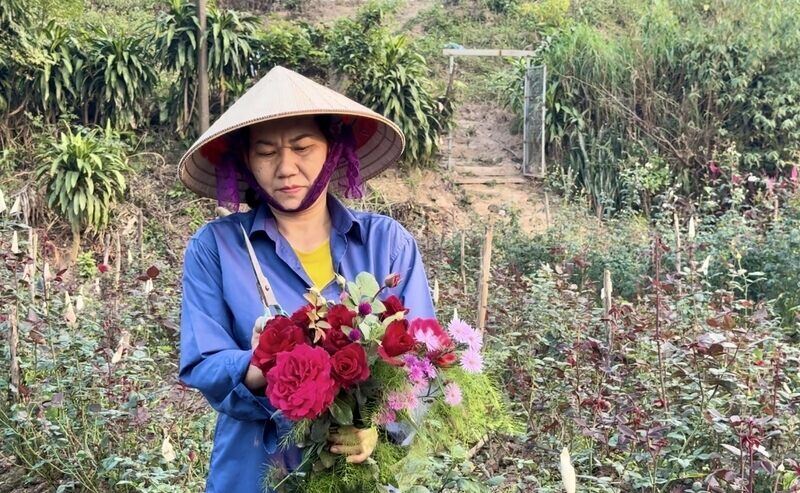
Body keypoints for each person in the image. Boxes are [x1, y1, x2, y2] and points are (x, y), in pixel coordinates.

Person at [177, 66, 436, 493]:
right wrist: (256, 364)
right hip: (255, 473)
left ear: (333, 149)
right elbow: (203, 361)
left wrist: (380, 428)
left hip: (360, 479)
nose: (285, 167)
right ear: (245, 160)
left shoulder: (386, 244)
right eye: (265, 152)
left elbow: (424, 364)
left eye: (302, 147)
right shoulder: (216, 248)